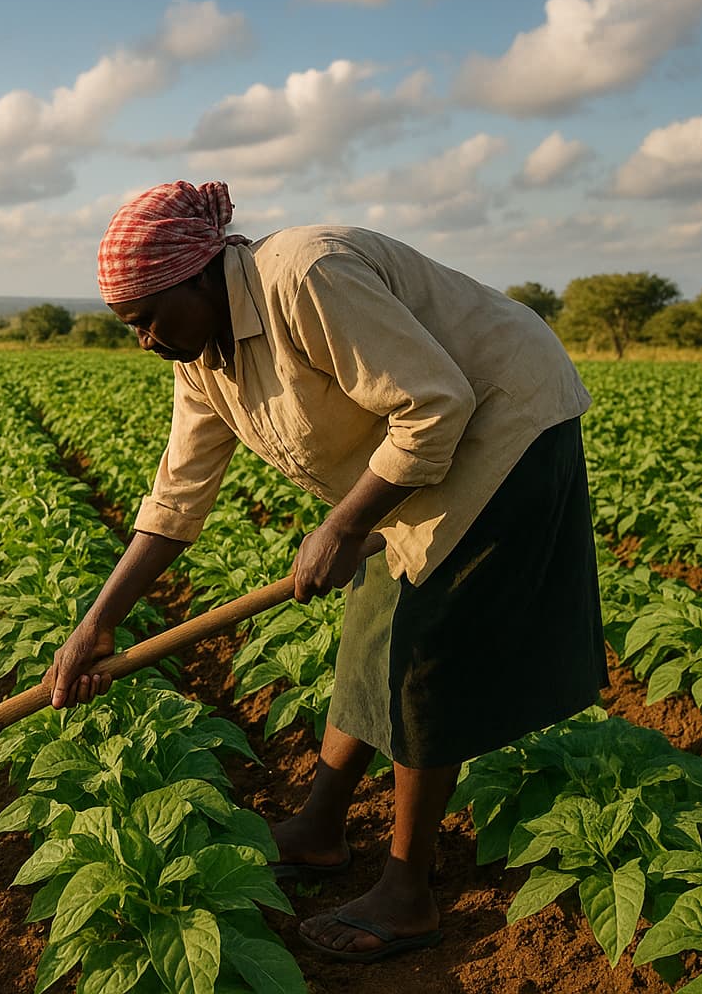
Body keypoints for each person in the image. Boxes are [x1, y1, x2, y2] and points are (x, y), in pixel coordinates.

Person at [45, 180, 607, 964]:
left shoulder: (305, 276)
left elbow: (437, 403)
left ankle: (410, 892)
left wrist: (343, 523)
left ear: (202, 276)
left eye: (146, 318)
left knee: (423, 654)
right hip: (414, 459)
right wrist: (96, 621)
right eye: (128, 326)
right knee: (369, 632)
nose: (143, 339)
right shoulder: (201, 356)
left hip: (503, 425)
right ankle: (318, 831)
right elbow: (177, 496)